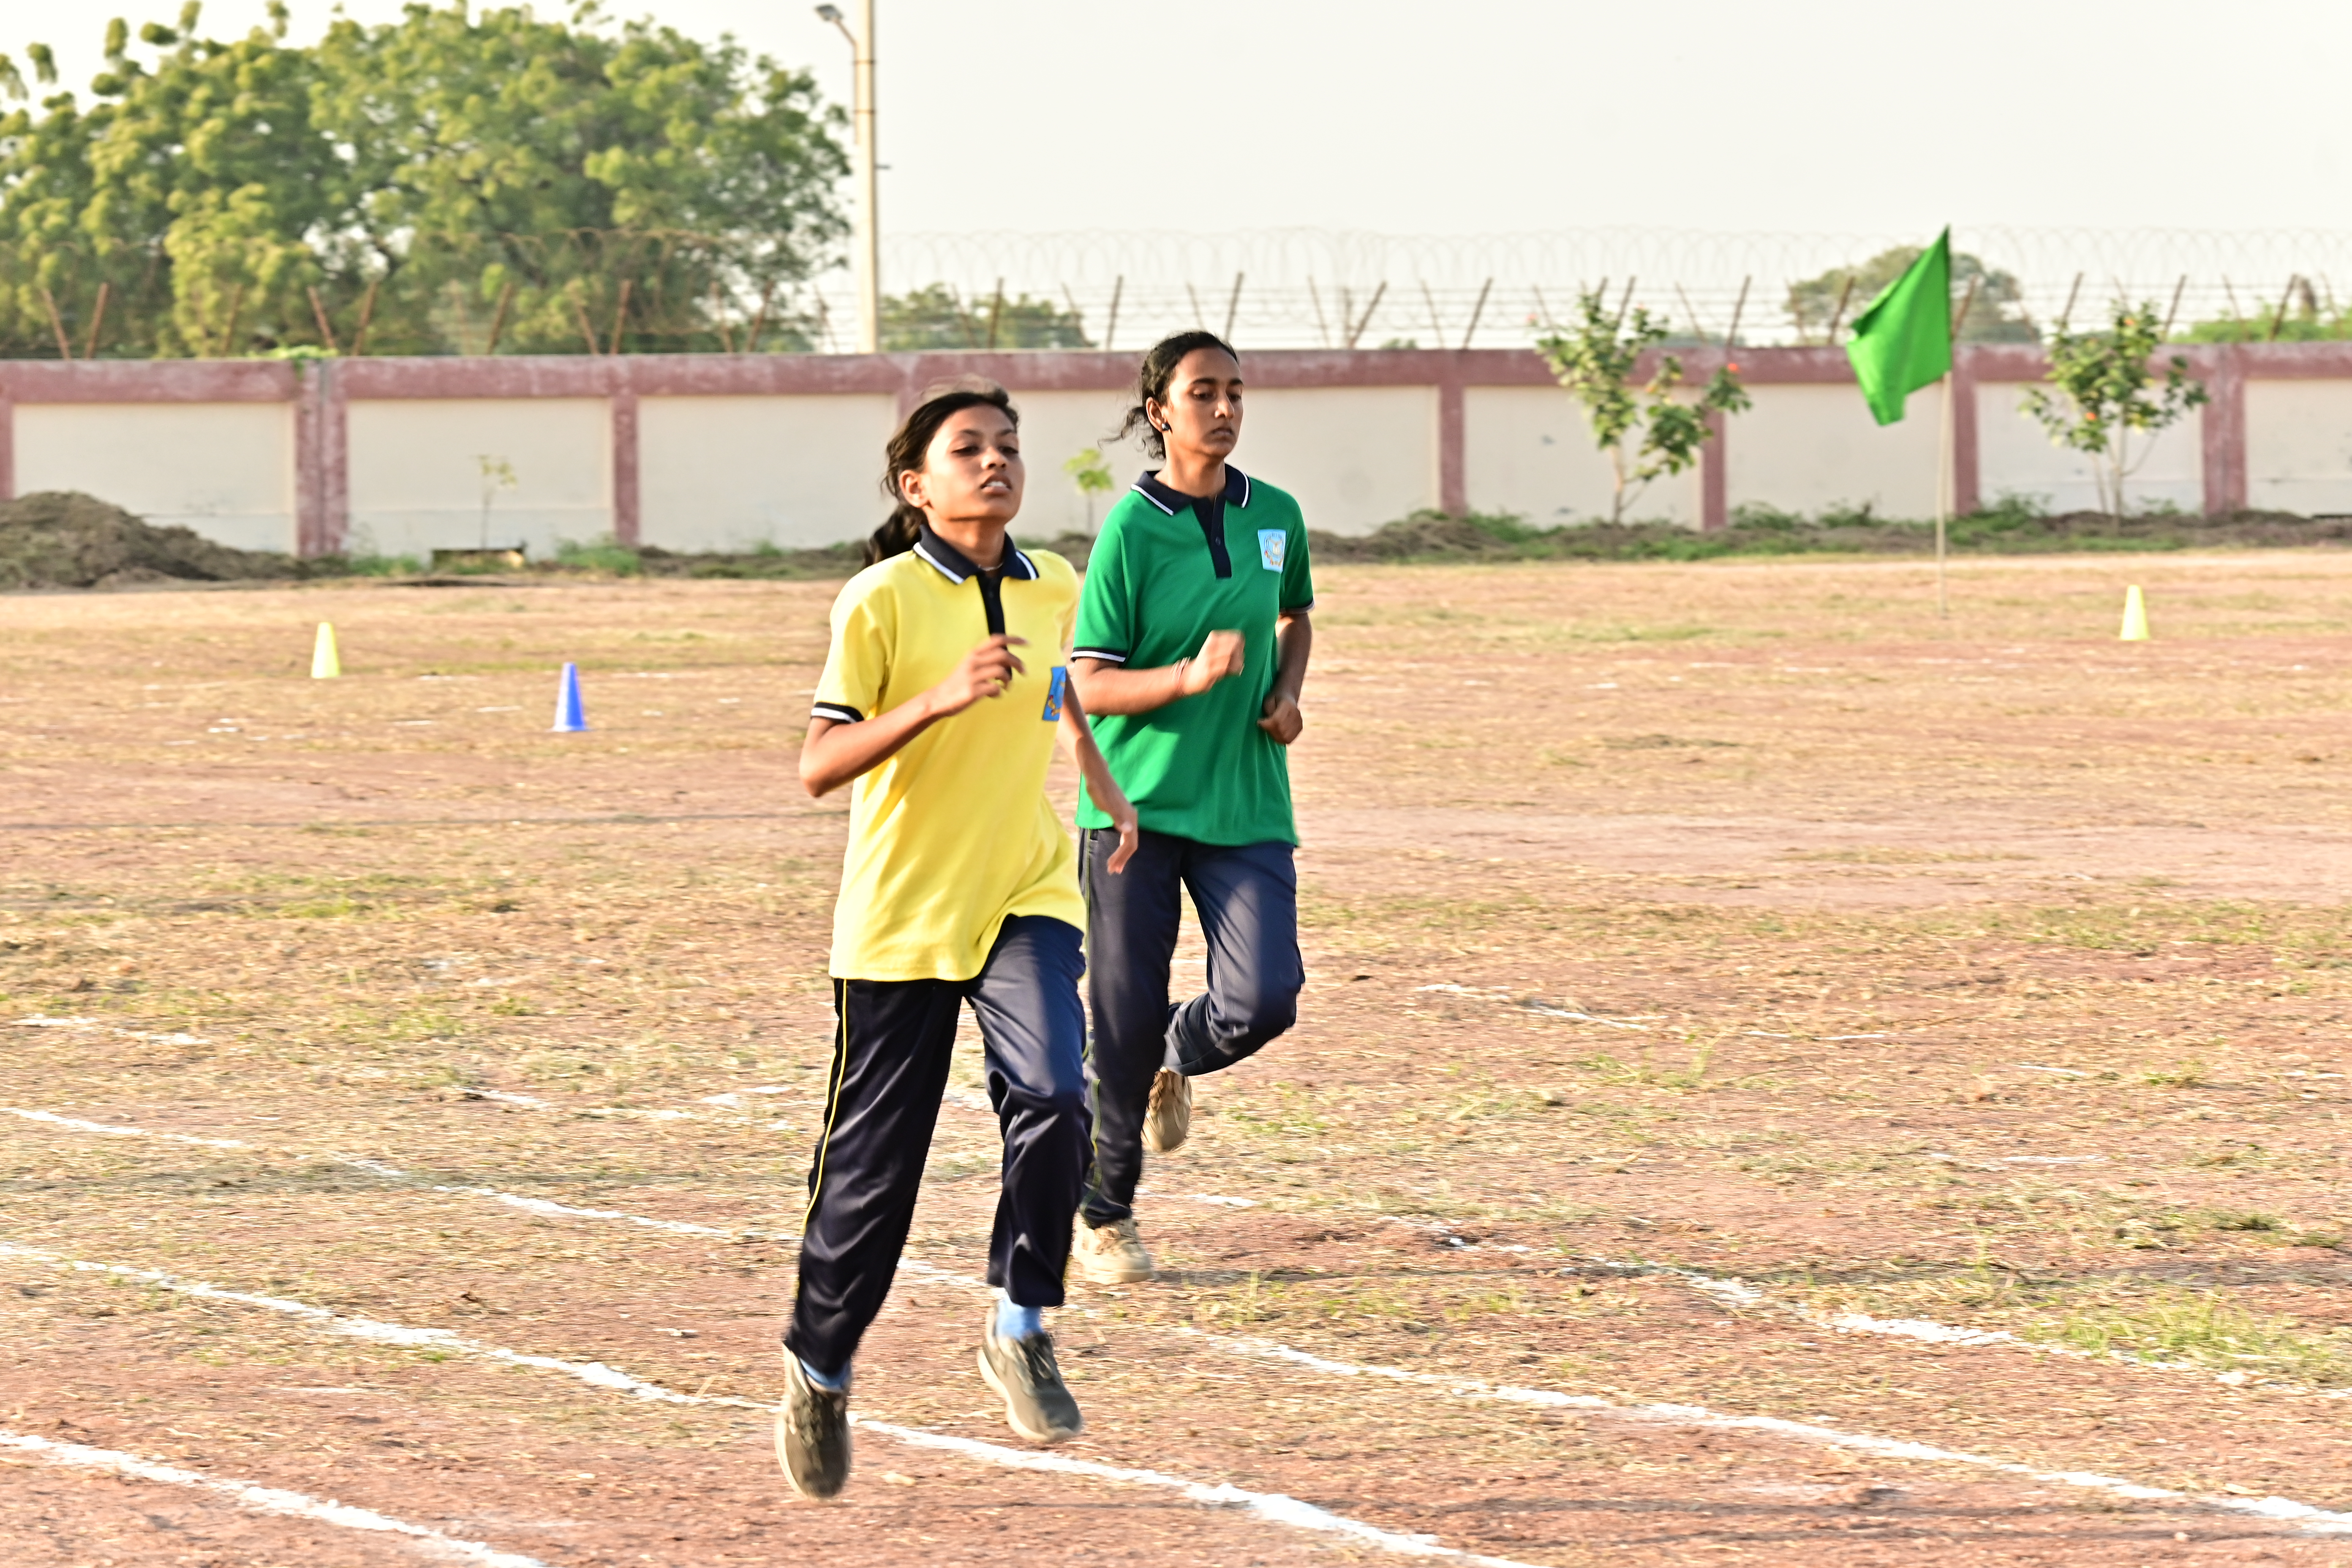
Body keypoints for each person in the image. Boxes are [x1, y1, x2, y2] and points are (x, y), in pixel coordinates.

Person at [776, 378, 1140, 1501]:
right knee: (873, 1180)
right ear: (915, 485)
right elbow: (817, 765)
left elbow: (1058, 697)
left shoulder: (1055, 583)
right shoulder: (879, 600)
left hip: (1023, 890)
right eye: (969, 448)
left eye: (1009, 447)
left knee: (1055, 1092)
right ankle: (821, 1368)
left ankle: (1021, 1323)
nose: (997, 462)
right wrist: (934, 701)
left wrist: (1104, 791)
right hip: (902, 921)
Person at [1065, 331, 1313, 1286]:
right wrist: (1186, 675)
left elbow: (1295, 615)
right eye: (1202, 391)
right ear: (1159, 410)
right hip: (1135, 809)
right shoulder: (1131, 528)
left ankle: (1178, 1050)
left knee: (1264, 999)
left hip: (1247, 798)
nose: (1224, 407)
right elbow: (1085, 684)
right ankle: (1106, 1211)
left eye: (1236, 391)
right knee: (1116, 1021)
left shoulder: (1277, 514)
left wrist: (1290, 693)